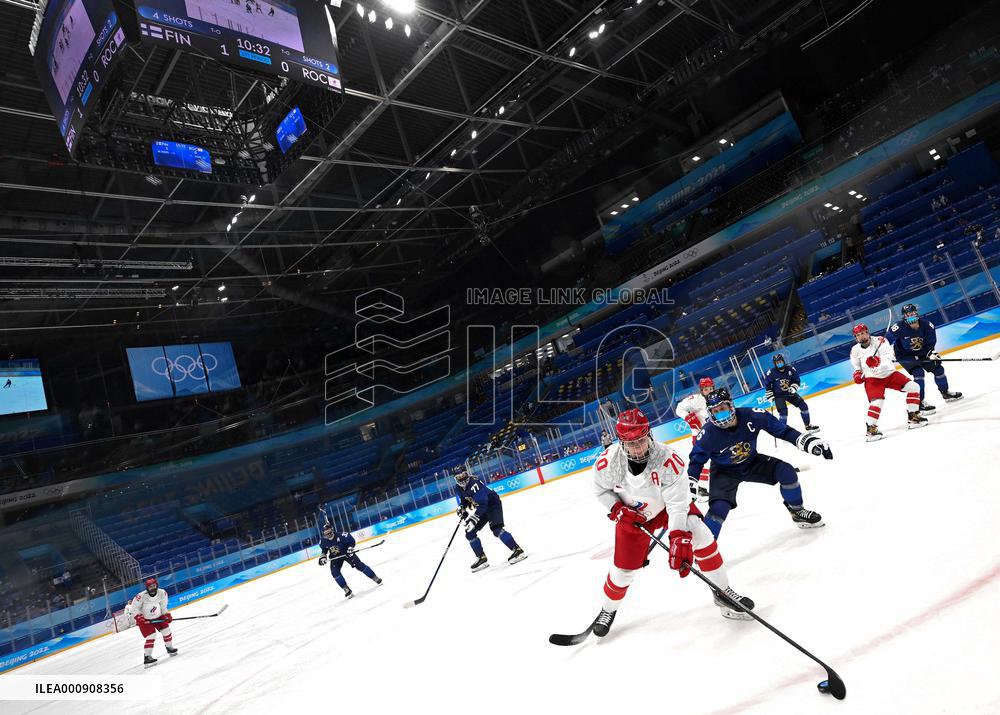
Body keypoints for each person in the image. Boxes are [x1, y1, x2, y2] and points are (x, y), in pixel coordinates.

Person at [590, 408, 755, 637]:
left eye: (641, 440)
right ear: (621, 443)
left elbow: (678, 505)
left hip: (667, 507)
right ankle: (607, 610)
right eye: (631, 443)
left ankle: (723, 592)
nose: (638, 448)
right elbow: (600, 491)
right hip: (632, 517)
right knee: (623, 571)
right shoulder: (608, 462)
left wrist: (678, 536)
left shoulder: (668, 459)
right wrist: (616, 509)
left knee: (701, 533)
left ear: (649, 435)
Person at [689, 389, 830, 539]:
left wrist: (807, 441)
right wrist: (690, 483)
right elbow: (696, 462)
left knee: (787, 472)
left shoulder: (753, 415)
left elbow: (783, 431)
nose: (720, 414)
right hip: (724, 472)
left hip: (752, 462)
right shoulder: (707, 434)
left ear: (731, 406)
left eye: (722, 408)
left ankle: (797, 512)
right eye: (715, 411)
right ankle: (704, 547)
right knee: (719, 509)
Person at [850, 323, 927, 441]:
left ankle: (914, 417)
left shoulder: (880, 341)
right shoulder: (855, 350)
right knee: (877, 402)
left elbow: (890, 357)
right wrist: (857, 374)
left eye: (862, 333)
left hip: (889, 374)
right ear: (855, 338)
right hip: (873, 379)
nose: (861, 336)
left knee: (914, 387)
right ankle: (871, 430)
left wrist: (878, 360)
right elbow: (856, 366)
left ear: (867, 332)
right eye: (858, 335)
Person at [887, 304, 962, 412]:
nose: (910, 315)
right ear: (904, 316)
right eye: (908, 314)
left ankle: (945, 393)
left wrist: (931, 353)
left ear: (916, 313)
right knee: (918, 373)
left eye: (912, 312)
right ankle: (919, 402)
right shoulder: (898, 328)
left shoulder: (927, 325)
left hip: (923, 353)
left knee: (939, 369)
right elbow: (886, 342)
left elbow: (930, 343)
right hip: (905, 356)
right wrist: (884, 354)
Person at [455, 472, 526, 571]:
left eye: (463, 475)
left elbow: (483, 503)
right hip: (481, 507)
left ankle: (518, 550)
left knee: (496, 530)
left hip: (492, 504)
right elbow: (464, 500)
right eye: (459, 477)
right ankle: (481, 558)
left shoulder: (474, 483)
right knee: (470, 533)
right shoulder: (457, 488)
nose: (462, 479)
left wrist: (474, 518)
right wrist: (462, 508)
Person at [674, 376, 716, 501]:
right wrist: (688, 418)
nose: (708, 391)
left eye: (710, 388)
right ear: (701, 390)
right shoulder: (694, 400)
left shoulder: (718, 398)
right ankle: (698, 487)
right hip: (700, 435)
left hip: (714, 434)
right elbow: (679, 409)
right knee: (701, 460)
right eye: (705, 389)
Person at [125, 576, 176, 667]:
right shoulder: (140, 596)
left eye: (154, 586)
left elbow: (163, 606)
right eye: (150, 587)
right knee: (151, 636)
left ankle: (169, 647)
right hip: (145, 620)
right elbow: (134, 608)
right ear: (147, 588)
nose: (152, 588)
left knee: (167, 631)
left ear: (157, 585)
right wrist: (139, 617)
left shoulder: (162, 593)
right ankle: (147, 657)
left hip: (158, 616)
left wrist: (167, 615)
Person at [318, 525, 381, 599]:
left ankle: (374, 577)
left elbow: (352, 541)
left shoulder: (342, 535)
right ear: (323, 533)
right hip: (335, 557)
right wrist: (322, 557)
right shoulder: (322, 541)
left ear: (332, 530)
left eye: (329, 532)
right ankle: (346, 589)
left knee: (359, 565)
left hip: (346, 553)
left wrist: (350, 548)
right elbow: (324, 550)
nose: (328, 534)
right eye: (326, 533)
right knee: (335, 573)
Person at [763, 354, 819, 431]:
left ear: (783, 361)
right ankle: (781, 432)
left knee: (804, 406)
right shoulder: (771, 373)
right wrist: (769, 394)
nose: (779, 363)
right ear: (775, 364)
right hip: (778, 395)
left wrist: (793, 387)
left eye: (780, 361)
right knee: (783, 413)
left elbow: (796, 380)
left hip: (789, 392)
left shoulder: (790, 369)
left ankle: (808, 426)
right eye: (777, 362)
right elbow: (767, 384)